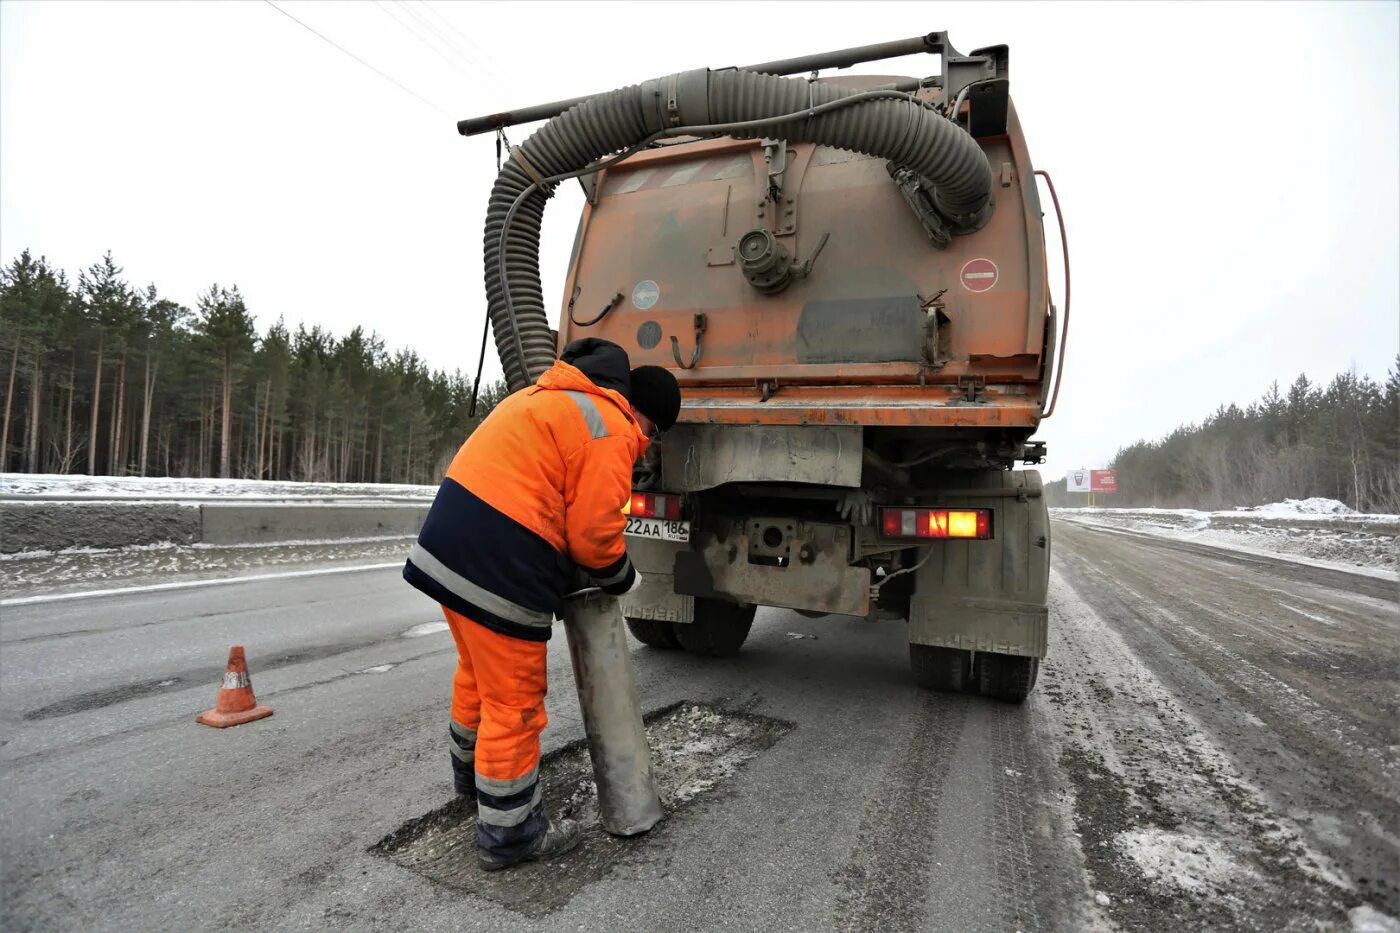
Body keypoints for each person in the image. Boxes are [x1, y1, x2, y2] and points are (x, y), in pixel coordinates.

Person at [402, 337, 681, 871]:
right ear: (647, 418)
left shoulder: (548, 396)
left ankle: (473, 783)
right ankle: (511, 835)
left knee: (478, 676)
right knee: (516, 701)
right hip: (500, 562)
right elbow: (596, 537)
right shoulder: (612, 427)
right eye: (651, 433)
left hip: (446, 547)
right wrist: (625, 580)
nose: (644, 443)